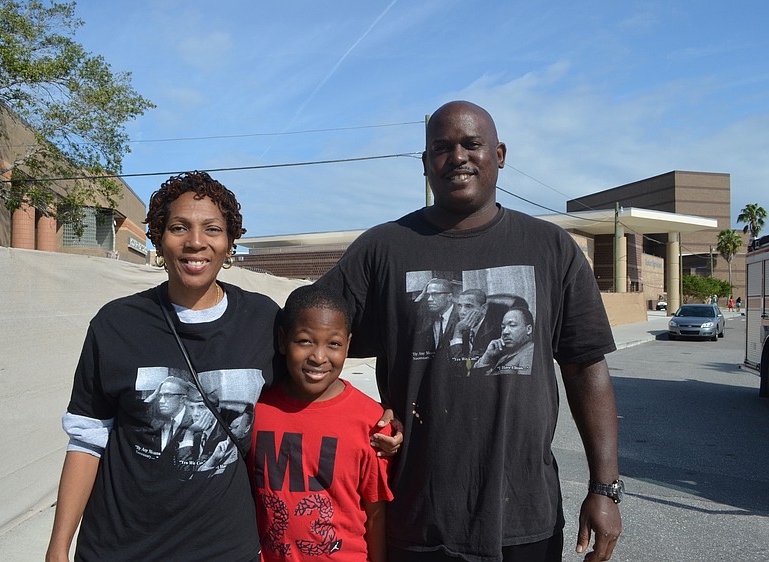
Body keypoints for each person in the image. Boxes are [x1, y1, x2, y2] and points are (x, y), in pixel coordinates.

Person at [317, 101, 622, 561]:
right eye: (442, 147)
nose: (457, 156)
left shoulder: (550, 247)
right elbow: (310, 337)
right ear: (426, 162)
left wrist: (605, 488)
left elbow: (585, 368)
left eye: (471, 144)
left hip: (524, 517)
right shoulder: (383, 249)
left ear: (499, 155)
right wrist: (362, 417)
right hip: (415, 517)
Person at [46, 171, 286, 561]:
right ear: (158, 239)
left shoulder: (263, 321)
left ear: (230, 243)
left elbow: (310, 402)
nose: (196, 242)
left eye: (212, 229)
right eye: (179, 227)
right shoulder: (116, 324)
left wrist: (378, 421)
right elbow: (87, 440)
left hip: (225, 548)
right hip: (121, 548)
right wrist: (58, 546)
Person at [249, 285, 393, 561]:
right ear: (283, 340)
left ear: (348, 345)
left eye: (334, 344)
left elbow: (376, 515)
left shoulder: (372, 422)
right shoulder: (256, 411)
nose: (318, 357)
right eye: (305, 341)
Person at [474, 306, 535, 375]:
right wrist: (487, 355)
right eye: (503, 327)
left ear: (529, 329)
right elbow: (475, 377)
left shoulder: (529, 355)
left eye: (512, 325)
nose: (505, 332)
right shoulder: (508, 352)